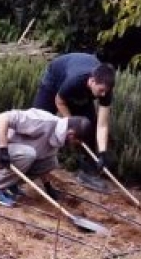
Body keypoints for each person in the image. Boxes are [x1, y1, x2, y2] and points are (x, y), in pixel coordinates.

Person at [32, 53, 116, 192]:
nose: (103, 95)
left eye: (105, 92)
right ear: (92, 81)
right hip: (54, 80)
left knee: (89, 126)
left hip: (80, 88)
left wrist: (102, 152)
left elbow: (102, 125)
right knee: (38, 121)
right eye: (101, 91)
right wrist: (71, 124)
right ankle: (26, 160)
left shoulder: (105, 90)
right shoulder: (75, 81)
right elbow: (59, 101)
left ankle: (88, 172)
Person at [0, 108, 92, 207]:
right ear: (71, 134)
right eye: (76, 141)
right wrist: (3, 148)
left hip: (13, 155)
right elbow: (3, 117)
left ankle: (10, 185)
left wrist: (48, 186)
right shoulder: (43, 121)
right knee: (28, 154)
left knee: (51, 162)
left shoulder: (58, 139)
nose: (74, 145)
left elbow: (43, 161)